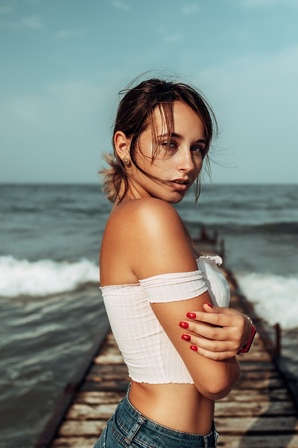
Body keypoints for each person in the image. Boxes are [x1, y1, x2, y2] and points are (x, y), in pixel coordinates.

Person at [94, 77, 256, 448]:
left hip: (157, 435)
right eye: (169, 144)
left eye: (197, 148)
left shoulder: (140, 214)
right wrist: (245, 335)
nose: (188, 164)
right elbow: (214, 380)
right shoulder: (149, 218)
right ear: (124, 145)